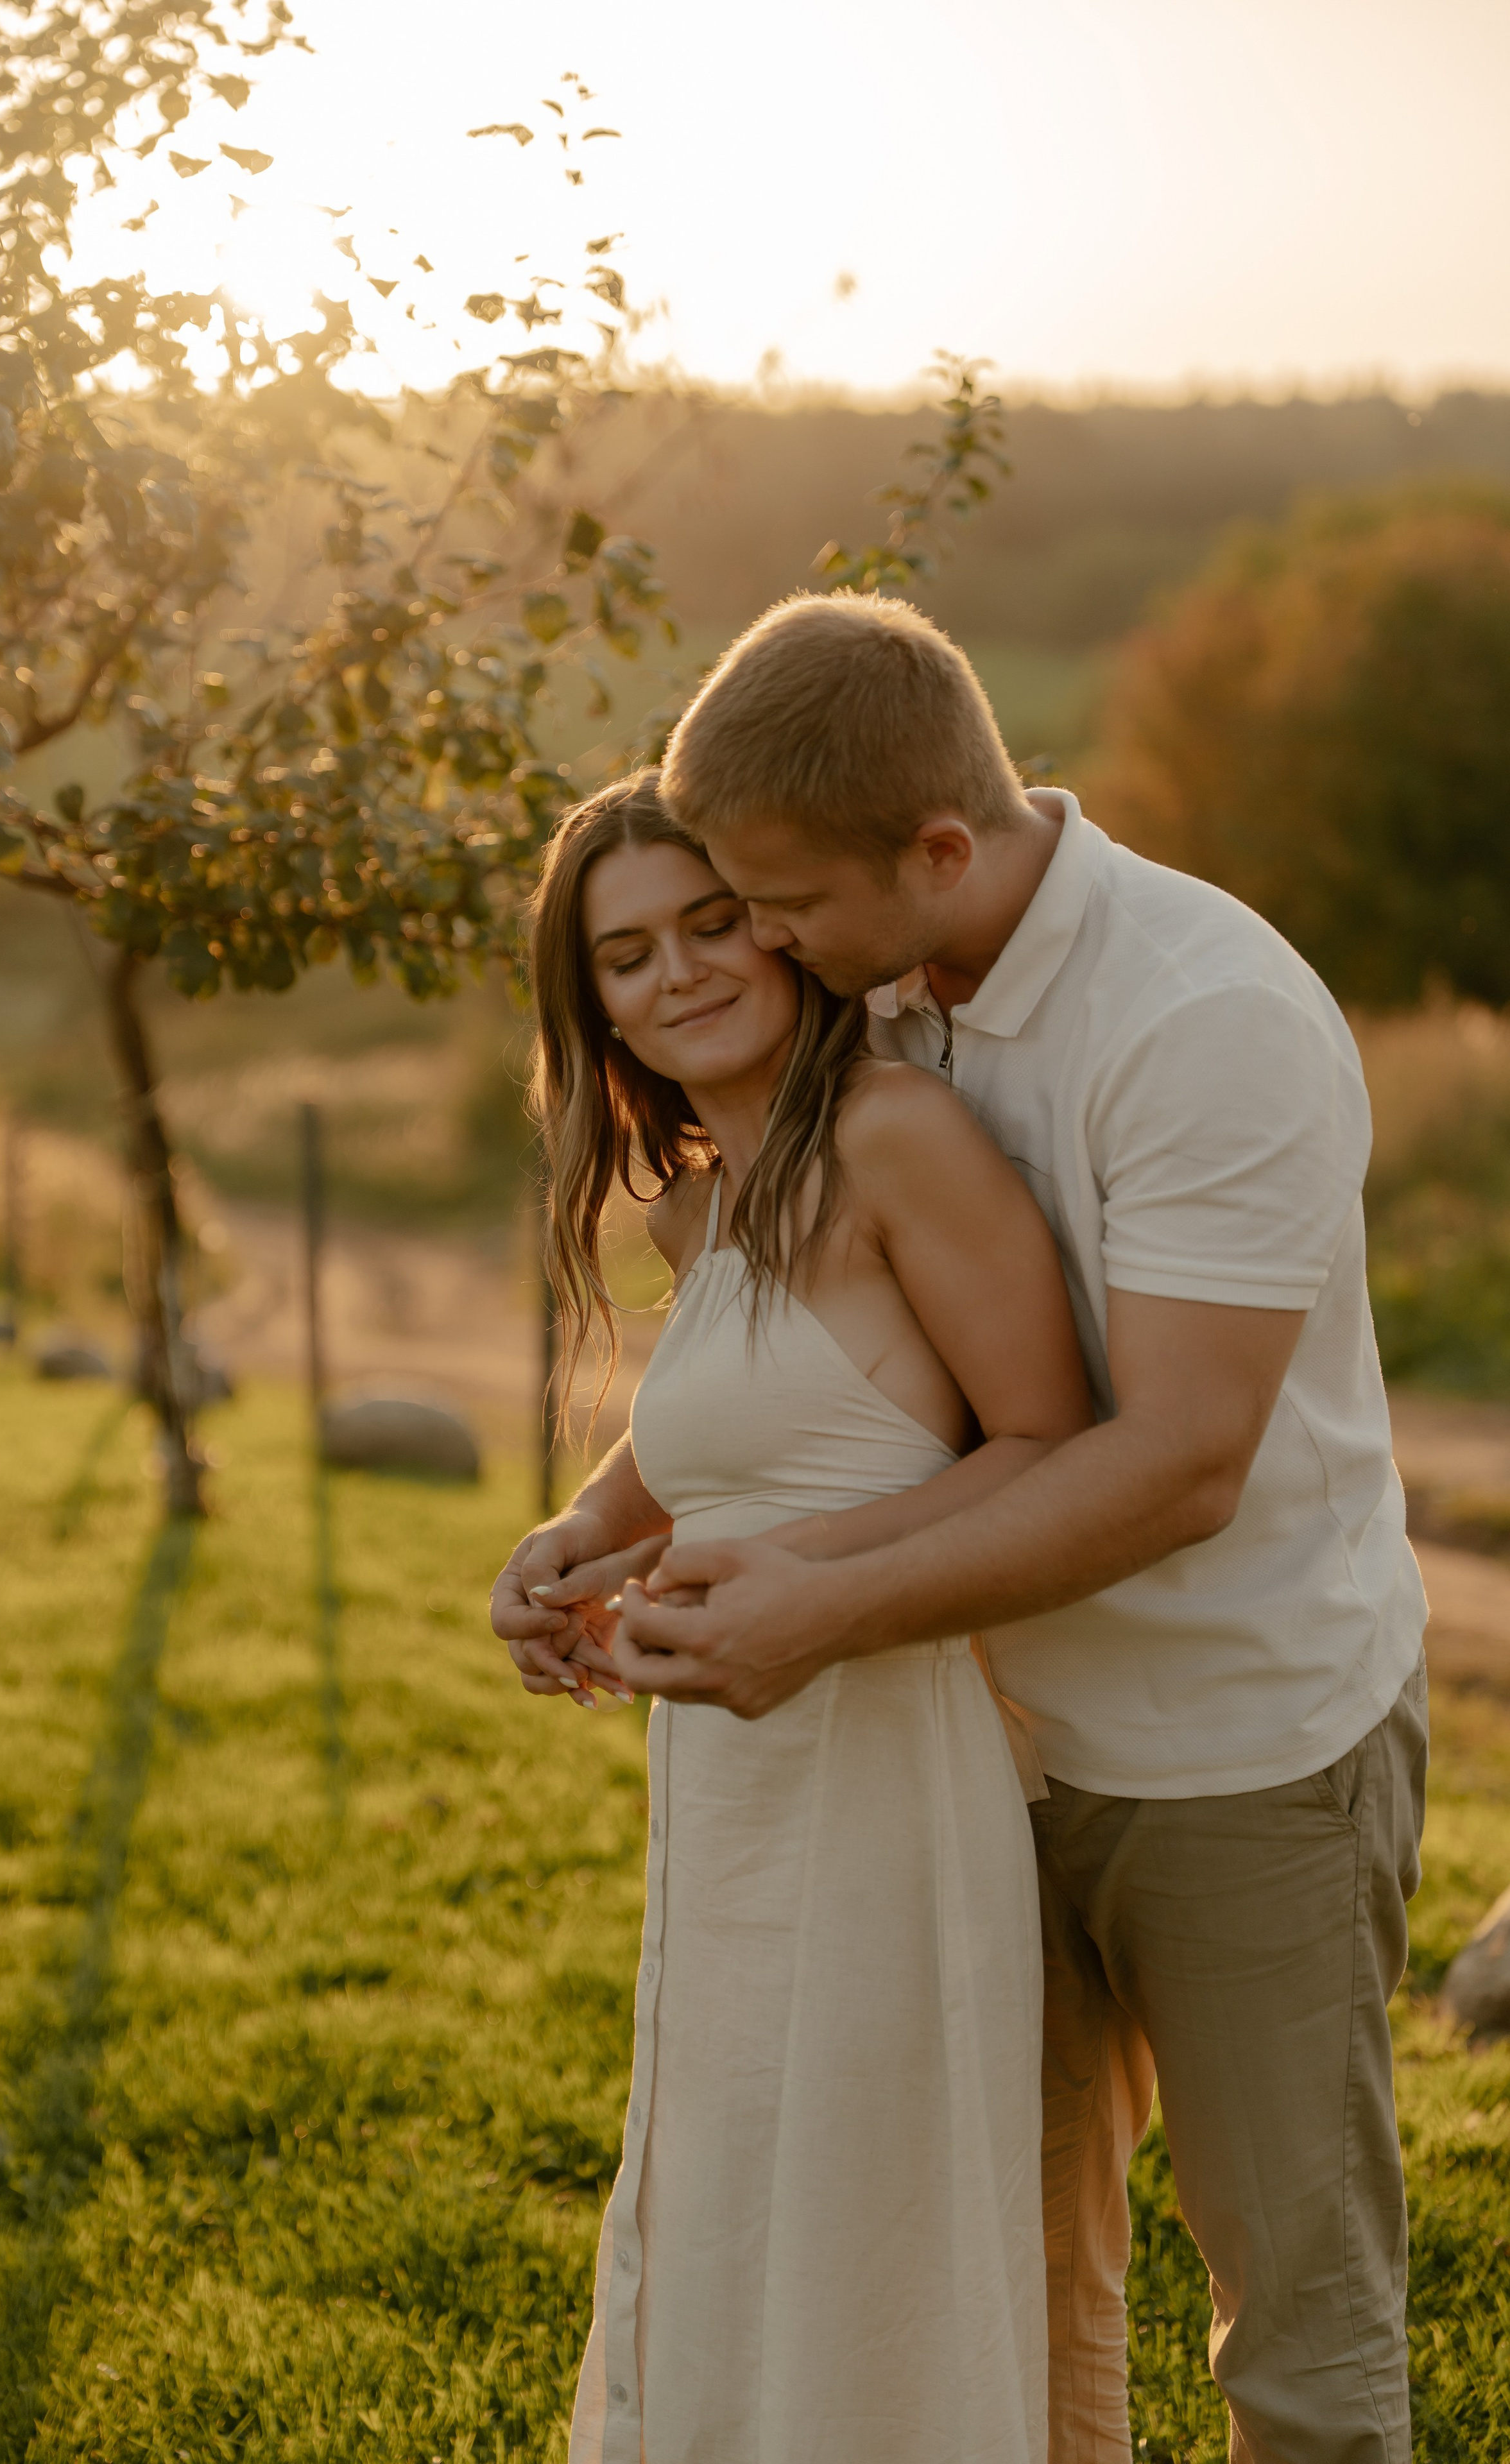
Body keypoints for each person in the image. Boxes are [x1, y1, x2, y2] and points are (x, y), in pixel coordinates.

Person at [493, 595, 1430, 2464]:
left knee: (1297, 2337)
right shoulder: (894, 987)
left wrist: (815, 1610)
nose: (752, 948)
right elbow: (821, 1382)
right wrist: (608, 1527)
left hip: (1231, 1751)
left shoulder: (1204, 1017)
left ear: (934, 851)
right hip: (981, 1755)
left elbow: (1171, 1463)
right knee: (1018, 2284)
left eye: (775, 911)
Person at [519, 771, 1094, 2464]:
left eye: (712, 924)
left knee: (860, 2230)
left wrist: (818, 1586)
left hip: (887, 1774)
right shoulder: (707, 1200)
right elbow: (745, 1435)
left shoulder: (896, 1135)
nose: (678, 975)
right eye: (626, 954)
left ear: (781, 931)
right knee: (729, 2195)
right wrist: (579, 1534)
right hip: (731, 1788)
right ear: (594, 1000)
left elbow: (1045, 1444)